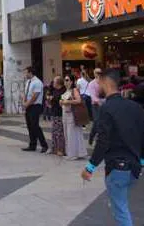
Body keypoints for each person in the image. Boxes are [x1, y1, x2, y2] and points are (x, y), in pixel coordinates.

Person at [81, 68, 144, 226]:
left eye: (99, 83)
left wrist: (90, 167)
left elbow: (104, 141)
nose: (97, 86)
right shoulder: (136, 107)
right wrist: (141, 161)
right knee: (120, 204)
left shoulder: (106, 108)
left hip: (117, 168)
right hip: (134, 168)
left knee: (120, 210)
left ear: (107, 83)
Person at [60, 74, 88, 160]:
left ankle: (73, 154)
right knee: (67, 134)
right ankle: (73, 152)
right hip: (65, 114)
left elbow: (79, 100)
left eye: (67, 80)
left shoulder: (74, 90)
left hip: (72, 114)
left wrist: (68, 102)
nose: (65, 82)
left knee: (71, 133)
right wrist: (61, 102)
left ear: (72, 81)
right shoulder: (66, 91)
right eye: (65, 80)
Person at [22, 67, 48, 153]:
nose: (25, 75)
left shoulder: (37, 82)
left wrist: (27, 103)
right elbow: (26, 94)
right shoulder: (28, 82)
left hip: (35, 106)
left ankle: (44, 145)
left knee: (35, 126)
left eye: (26, 73)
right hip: (29, 106)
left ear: (30, 73)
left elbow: (35, 96)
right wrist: (24, 102)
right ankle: (32, 145)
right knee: (30, 126)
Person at [49, 76, 66, 156]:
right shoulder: (55, 90)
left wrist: (52, 98)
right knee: (54, 131)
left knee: (60, 132)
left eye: (54, 81)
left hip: (60, 114)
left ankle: (61, 149)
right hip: (54, 113)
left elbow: (60, 100)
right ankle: (54, 148)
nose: (53, 83)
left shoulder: (63, 91)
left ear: (58, 83)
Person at [88, 68, 103, 145]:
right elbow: (93, 96)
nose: (98, 74)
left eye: (100, 72)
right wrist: (99, 102)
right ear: (94, 74)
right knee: (97, 121)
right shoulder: (91, 84)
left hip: (105, 104)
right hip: (96, 105)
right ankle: (92, 136)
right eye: (97, 72)